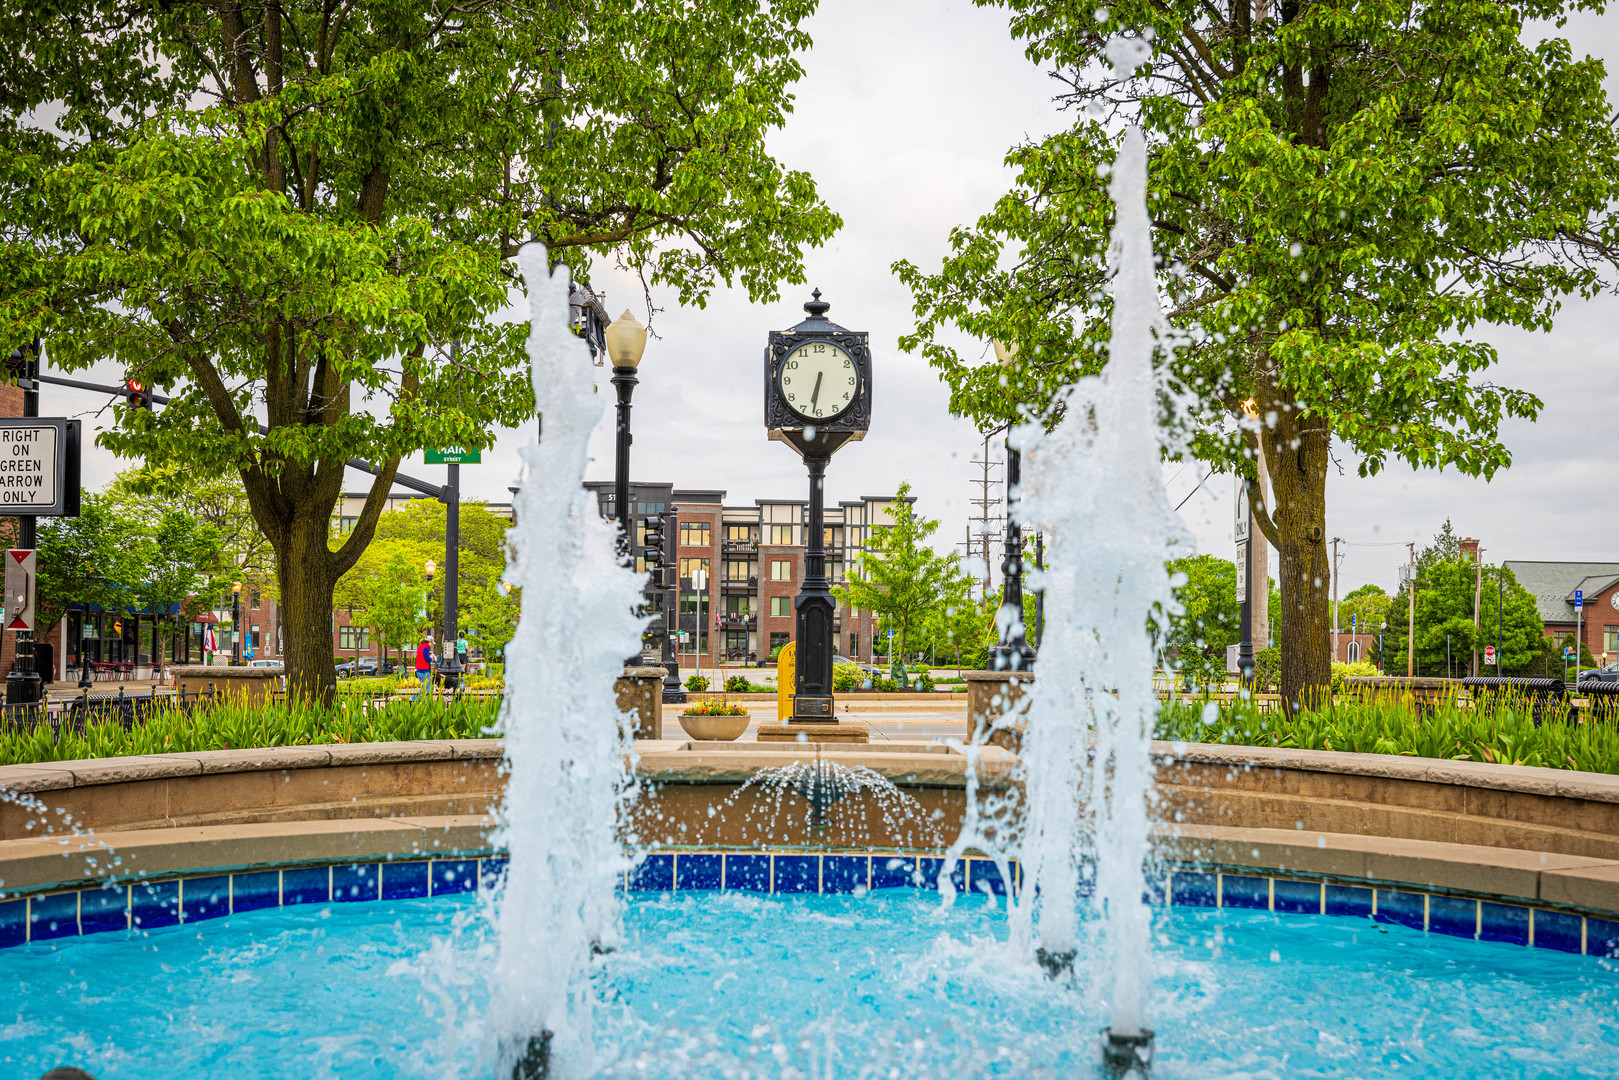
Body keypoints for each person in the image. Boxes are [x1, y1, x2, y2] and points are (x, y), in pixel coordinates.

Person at [413, 631, 436, 701]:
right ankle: (424, 702)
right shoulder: (426, 648)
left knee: (423, 686)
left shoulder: (420, 646)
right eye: (431, 643)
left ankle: (415, 699)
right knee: (427, 688)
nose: (431, 644)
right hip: (424, 670)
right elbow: (428, 659)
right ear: (429, 642)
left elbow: (422, 656)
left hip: (418, 670)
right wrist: (432, 656)